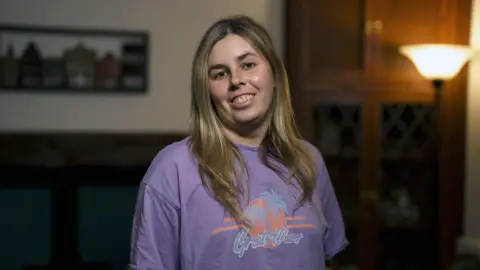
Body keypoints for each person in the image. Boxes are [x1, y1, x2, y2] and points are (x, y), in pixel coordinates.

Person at [128, 14, 348, 270]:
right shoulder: (173, 169)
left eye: (248, 65)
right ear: (207, 91)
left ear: (274, 75)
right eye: (220, 74)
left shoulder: (308, 160)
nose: (236, 80)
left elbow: (326, 259)